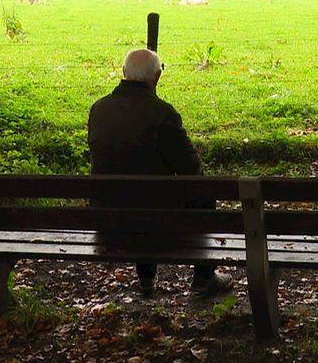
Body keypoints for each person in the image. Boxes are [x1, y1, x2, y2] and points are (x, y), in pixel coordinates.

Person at [87, 48, 234, 298]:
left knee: (134, 189)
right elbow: (191, 170)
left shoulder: (98, 109)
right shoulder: (162, 113)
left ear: (123, 73)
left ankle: (146, 279)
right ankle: (204, 277)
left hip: (107, 220)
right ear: (157, 77)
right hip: (156, 220)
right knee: (202, 191)